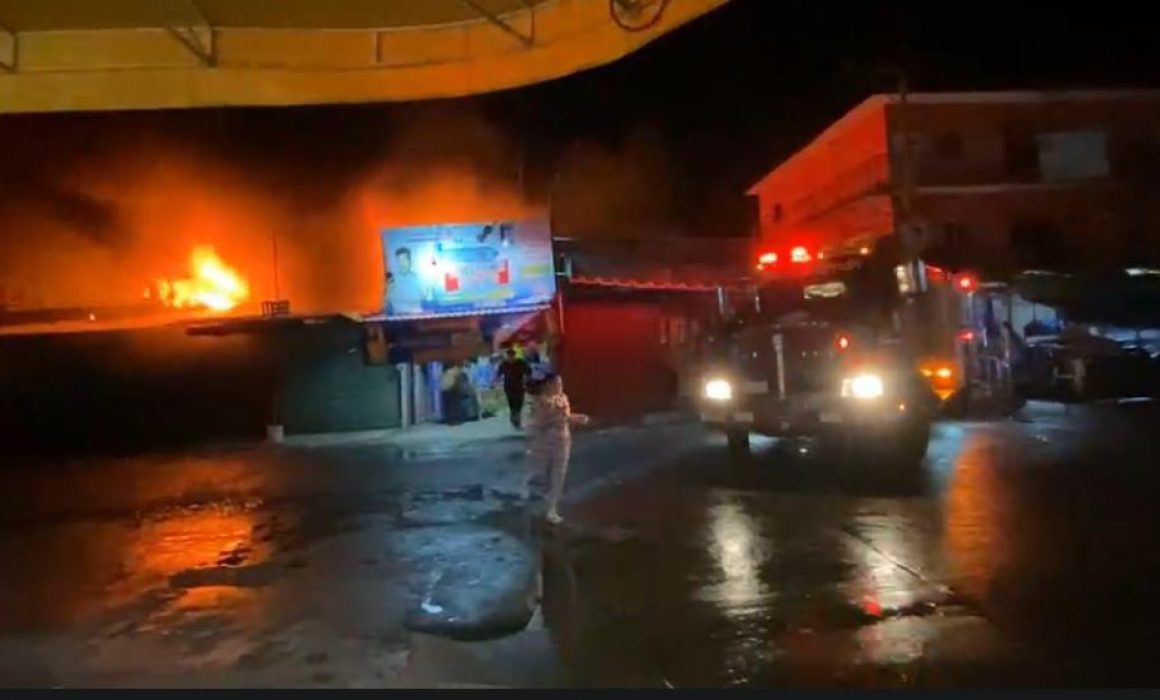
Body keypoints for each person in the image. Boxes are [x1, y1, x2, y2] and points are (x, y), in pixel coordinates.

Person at [527, 373, 589, 525]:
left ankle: (551, 509)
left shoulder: (563, 398)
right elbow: (535, 423)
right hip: (544, 442)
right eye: (557, 383)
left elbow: (566, 417)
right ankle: (539, 502)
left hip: (562, 441)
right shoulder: (541, 401)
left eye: (561, 383)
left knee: (558, 475)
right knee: (543, 474)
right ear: (549, 385)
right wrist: (539, 433)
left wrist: (577, 418)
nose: (560, 386)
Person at [496, 347, 531, 428]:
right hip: (509, 387)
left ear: (514, 356)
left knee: (519, 403)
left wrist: (528, 380)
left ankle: (517, 418)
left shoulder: (521, 362)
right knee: (512, 403)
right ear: (507, 356)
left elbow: (528, 372)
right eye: (509, 357)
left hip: (519, 386)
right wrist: (496, 382)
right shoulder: (504, 364)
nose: (510, 358)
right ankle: (514, 417)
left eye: (512, 356)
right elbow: (498, 374)